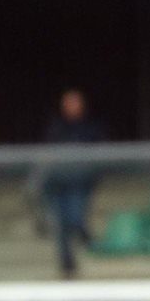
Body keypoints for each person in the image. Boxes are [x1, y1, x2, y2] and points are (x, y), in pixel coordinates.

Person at [41, 88, 105, 278]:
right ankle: (67, 265)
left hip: (79, 182)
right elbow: (48, 153)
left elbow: (100, 154)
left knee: (75, 218)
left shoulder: (91, 127)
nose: (71, 107)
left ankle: (86, 237)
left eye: (75, 102)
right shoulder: (56, 127)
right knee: (61, 225)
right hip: (57, 182)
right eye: (68, 103)